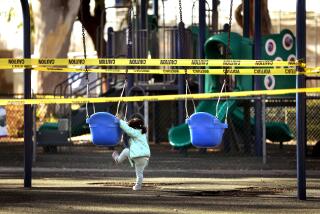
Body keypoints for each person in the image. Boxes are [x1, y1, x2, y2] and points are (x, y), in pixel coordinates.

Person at [112, 117, 151, 191]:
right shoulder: (142, 133)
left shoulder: (135, 132)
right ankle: (138, 186)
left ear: (134, 127)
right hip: (145, 157)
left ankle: (117, 159)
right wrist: (126, 123)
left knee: (126, 151)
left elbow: (127, 129)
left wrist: (119, 121)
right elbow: (129, 127)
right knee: (139, 173)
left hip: (137, 156)